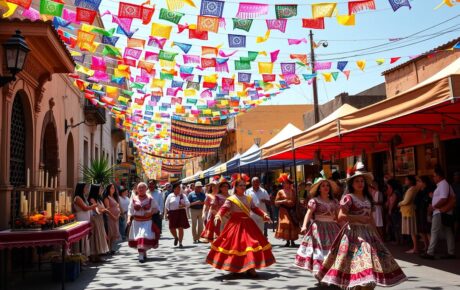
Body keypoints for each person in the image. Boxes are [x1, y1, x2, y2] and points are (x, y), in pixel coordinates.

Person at [316, 169, 407, 289]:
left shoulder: (368, 199)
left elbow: (370, 219)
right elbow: (341, 216)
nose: (360, 183)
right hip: (353, 232)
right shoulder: (348, 198)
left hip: (368, 233)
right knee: (359, 258)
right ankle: (360, 283)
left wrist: (378, 234)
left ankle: (363, 283)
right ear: (352, 184)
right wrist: (357, 217)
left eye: (362, 181)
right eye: (357, 181)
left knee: (367, 259)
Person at [206, 176, 275, 277]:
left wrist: (264, 214)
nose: (243, 187)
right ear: (236, 187)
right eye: (241, 185)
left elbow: (254, 209)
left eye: (244, 185)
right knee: (235, 246)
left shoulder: (248, 198)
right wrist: (218, 215)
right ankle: (234, 267)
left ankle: (251, 268)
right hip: (235, 224)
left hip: (248, 224)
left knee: (251, 245)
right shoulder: (231, 199)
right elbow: (224, 209)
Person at [294, 178, 339, 275]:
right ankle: (320, 271)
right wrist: (304, 226)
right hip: (318, 228)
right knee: (319, 250)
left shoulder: (334, 201)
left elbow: (338, 216)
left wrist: (344, 226)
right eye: (323, 186)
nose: (326, 187)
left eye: (327, 185)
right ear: (319, 189)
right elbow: (308, 213)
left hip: (333, 228)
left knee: (333, 250)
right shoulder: (315, 201)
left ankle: (330, 272)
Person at [421, 166, 456, 259]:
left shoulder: (443, 184)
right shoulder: (443, 185)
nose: (433, 178)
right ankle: (451, 252)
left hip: (440, 211)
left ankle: (430, 252)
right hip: (443, 211)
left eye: (434, 176)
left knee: (434, 231)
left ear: (439, 176)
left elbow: (444, 198)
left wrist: (434, 206)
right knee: (448, 231)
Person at [127, 182, 160, 263]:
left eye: (143, 187)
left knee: (143, 236)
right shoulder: (134, 199)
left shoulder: (150, 198)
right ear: (137, 189)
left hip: (147, 221)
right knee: (138, 237)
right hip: (136, 222)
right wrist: (128, 219)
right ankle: (142, 253)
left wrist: (150, 213)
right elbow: (130, 210)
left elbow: (156, 208)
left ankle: (141, 254)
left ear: (146, 189)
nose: (141, 189)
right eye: (139, 188)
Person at [200, 178, 231, 243]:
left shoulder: (231, 197)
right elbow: (212, 208)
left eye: (227, 186)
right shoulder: (217, 197)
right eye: (223, 186)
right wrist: (220, 215)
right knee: (219, 237)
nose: (225, 188)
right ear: (220, 188)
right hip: (218, 218)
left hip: (229, 219)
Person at [275, 173, 300, 247]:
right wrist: (283, 201)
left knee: (292, 225)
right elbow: (276, 202)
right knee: (287, 224)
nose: (287, 184)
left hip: (292, 210)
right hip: (284, 211)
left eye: (288, 183)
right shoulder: (280, 192)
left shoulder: (293, 191)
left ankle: (292, 241)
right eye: (285, 183)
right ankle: (287, 241)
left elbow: (296, 201)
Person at [73, 182, 97, 257]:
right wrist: (94, 206)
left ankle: (85, 255)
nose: (86, 189)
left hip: (85, 218)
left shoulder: (83, 197)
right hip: (81, 218)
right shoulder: (77, 198)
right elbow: (85, 208)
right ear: (81, 188)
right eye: (85, 187)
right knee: (81, 238)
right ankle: (80, 254)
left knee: (85, 238)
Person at [87, 184, 110, 263]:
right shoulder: (92, 199)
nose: (101, 190)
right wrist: (104, 210)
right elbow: (97, 210)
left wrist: (104, 210)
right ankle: (93, 255)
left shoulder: (99, 199)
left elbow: (101, 209)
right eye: (100, 189)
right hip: (95, 219)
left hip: (100, 219)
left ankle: (97, 255)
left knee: (100, 236)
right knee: (95, 236)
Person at [165, 183, 190, 248]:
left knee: (180, 228)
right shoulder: (170, 196)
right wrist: (166, 214)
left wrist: (183, 205)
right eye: (177, 187)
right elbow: (166, 205)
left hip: (181, 212)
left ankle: (180, 242)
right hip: (172, 213)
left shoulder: (183, 195)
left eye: (179, 187)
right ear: (174, 189)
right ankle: (176, 237)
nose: (179, 189)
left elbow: (188, 203)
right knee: (171, 228)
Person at [398, 175, 419, 254]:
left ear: (410, 181)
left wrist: (399, 203)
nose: (405, 182)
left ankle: (415, 248)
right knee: (412, 230)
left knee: (412, 230)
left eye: (406, 180)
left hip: (409, 211)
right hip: (409, 210)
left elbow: (406, 201)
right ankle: (415, 247)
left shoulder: (412, 189)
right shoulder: (412, 189)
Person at [415, 176, 434, 252]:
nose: (417, 182)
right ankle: (426, 246)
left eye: (419, 181)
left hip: (426, 212)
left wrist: (429, 213)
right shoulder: (419, 191)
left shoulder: (429, 190)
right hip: (420, 211)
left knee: (428, 230)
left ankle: (431, 248)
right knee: (422, 230)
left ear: (424, 182)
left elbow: (430, 202)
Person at [102, 183, 121, 254]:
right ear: (108, 189)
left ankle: (111, 248)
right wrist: (114, 216)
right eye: (111, 188)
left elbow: (118, 207)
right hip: (110, 217)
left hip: (116, 218)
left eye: (114, 188)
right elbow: (107, 209)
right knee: (110, 232)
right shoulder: (107, 197)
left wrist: (118, 215)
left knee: (114, 233)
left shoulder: (114, 197)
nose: (113, 189)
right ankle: (108, 248)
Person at [385, 179, 402, 244]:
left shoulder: (395, 192)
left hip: (395, 211)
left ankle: (398, 241)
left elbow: (393, 202)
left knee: (396, 226)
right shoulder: (394, 192)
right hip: (395, 211)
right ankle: (398, 240)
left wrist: (390, 210)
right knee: (395, 226)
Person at [452, 172, 460, 237]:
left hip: (457, 205)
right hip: (455, 205)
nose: (456, 177)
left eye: (457, 176)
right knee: (456, 221)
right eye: (455, 176)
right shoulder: (452, 185)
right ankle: (455, 235)